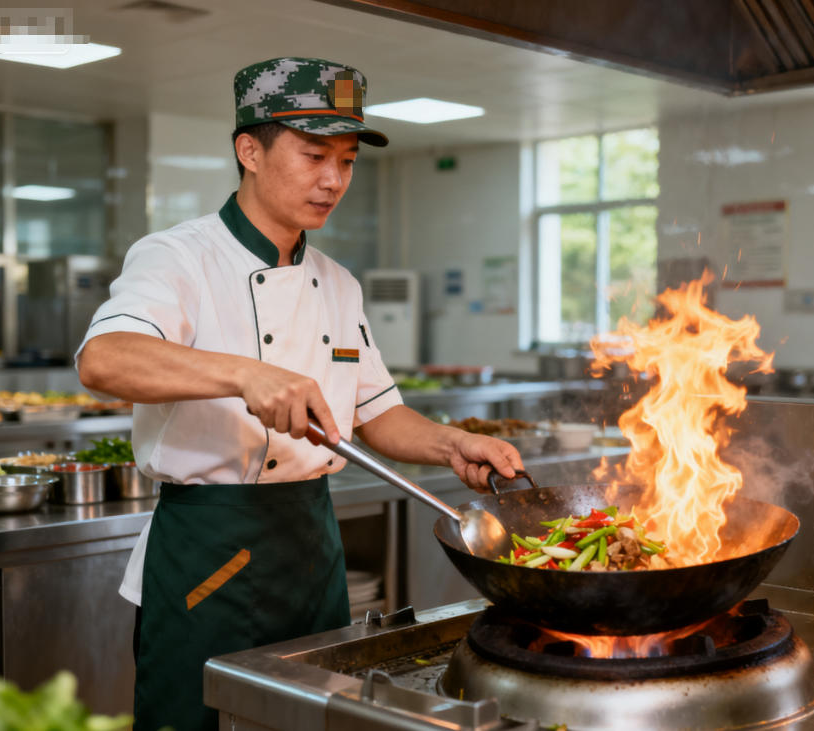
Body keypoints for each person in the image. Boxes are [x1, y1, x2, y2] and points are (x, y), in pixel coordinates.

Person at [75, 57, 523, 731]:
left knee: (317, 721)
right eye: (314, 154)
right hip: (207, 553)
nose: (333, 179)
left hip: (313, 549)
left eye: (346, 160)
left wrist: (451, 442)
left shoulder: (338, 283)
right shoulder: (178, 257)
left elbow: (378, 414)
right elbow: (103, 358)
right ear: (248, 150)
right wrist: (245, 373)